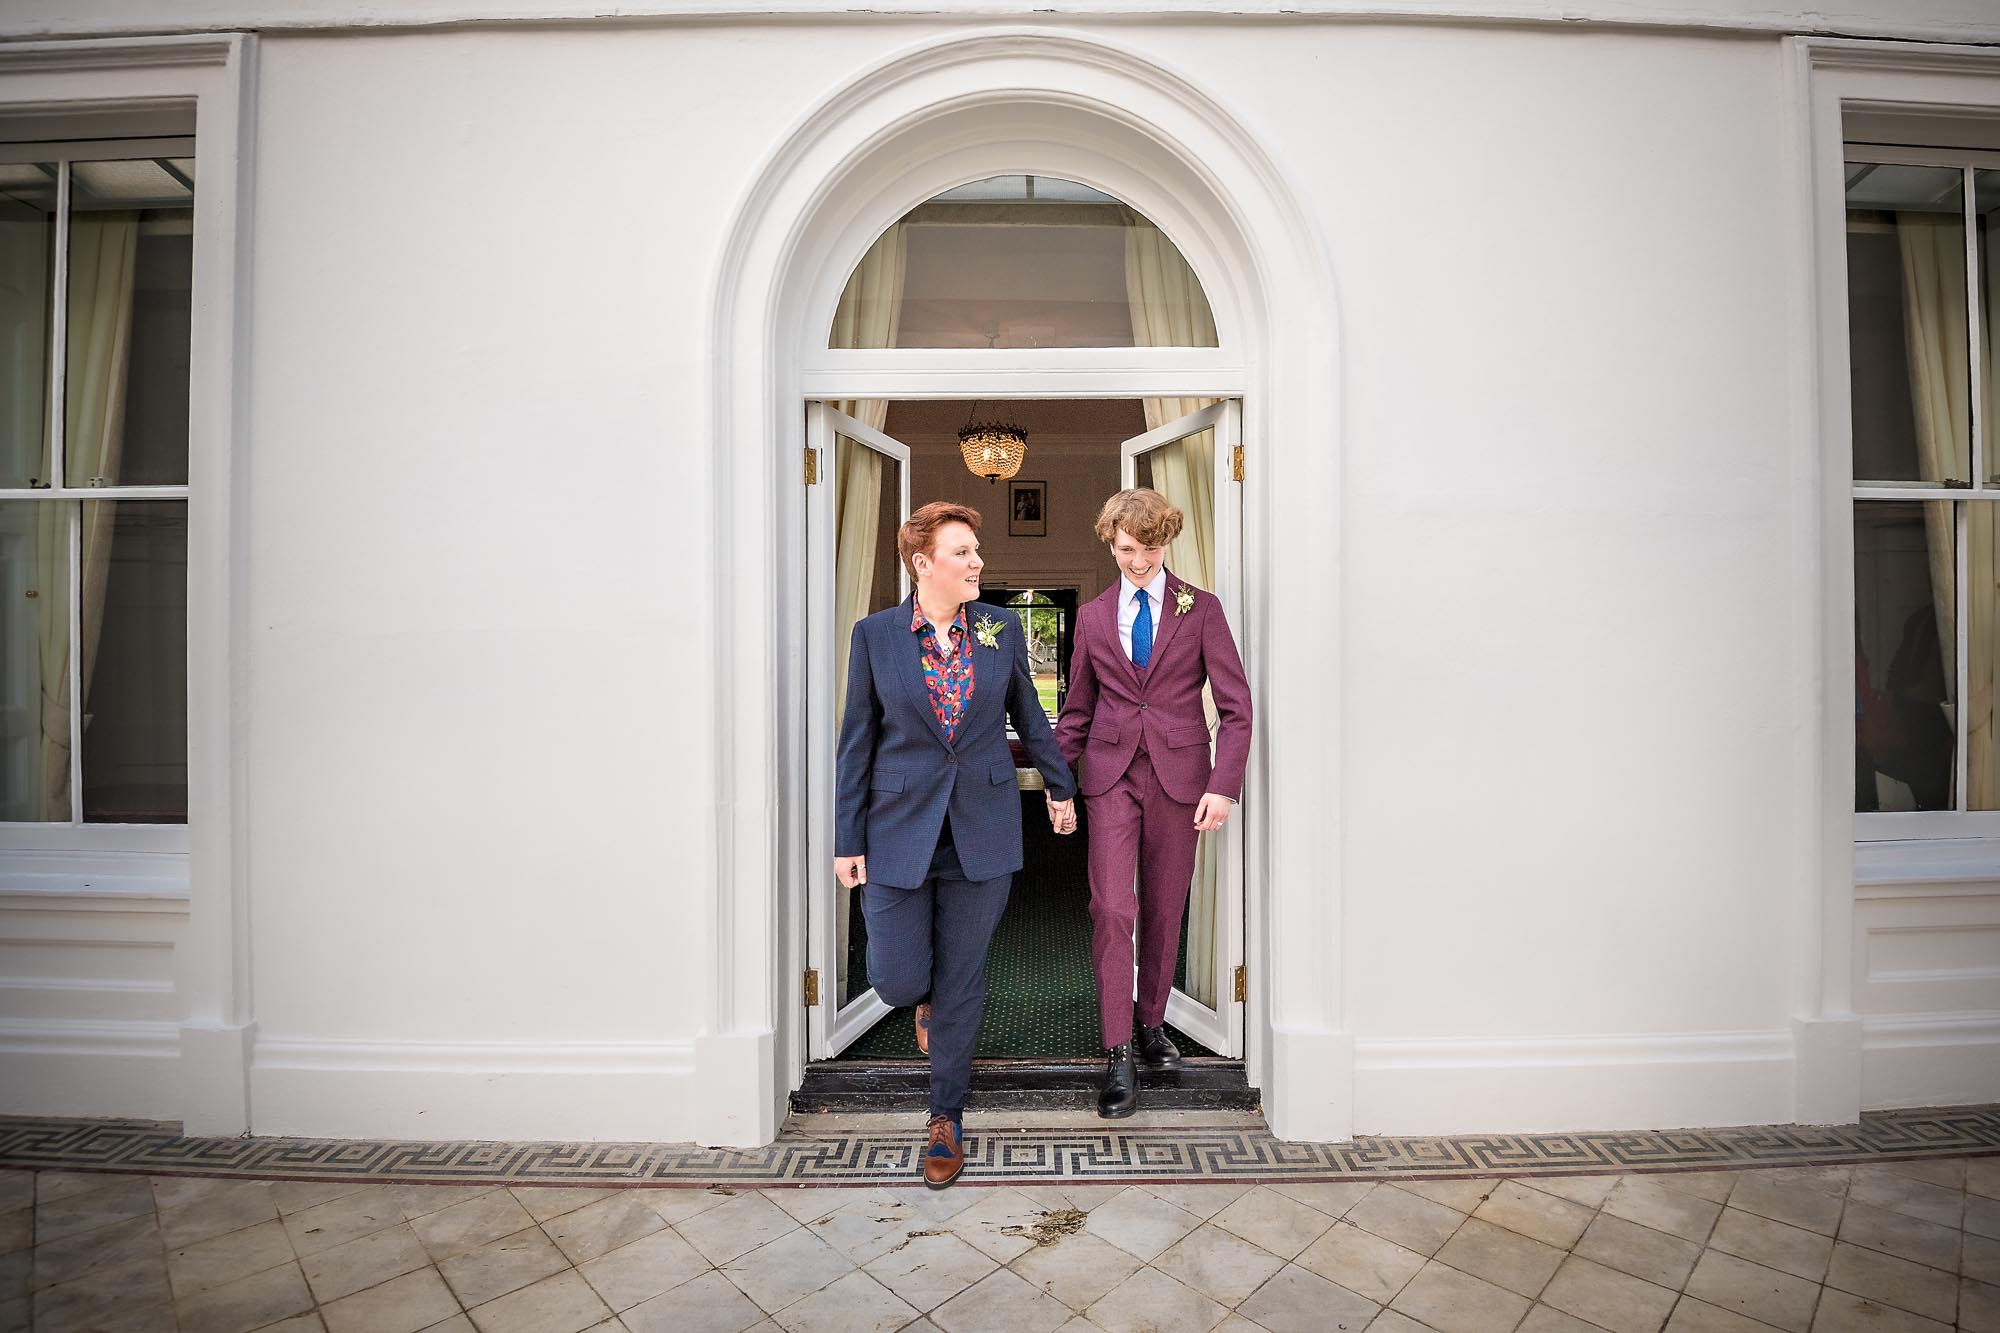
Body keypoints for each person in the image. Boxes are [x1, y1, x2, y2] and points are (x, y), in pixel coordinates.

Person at [835, 501, 1077, 1187]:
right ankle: (923, 1000)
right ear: (923, 563)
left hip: (983, 826)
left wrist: (1060, 788)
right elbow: (857, 742)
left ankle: (946, 1115)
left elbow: (1029, 712)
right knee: (898, 976)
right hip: (896, 830)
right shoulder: (875, 635)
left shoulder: (998, 626)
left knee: (963, 979)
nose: (978, 562)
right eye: (963, 551)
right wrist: (845, 836)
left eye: (976, 550)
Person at [1054, 488, 1252, 1117]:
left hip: (1181, 777)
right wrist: (1059, 784)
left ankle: (1150, 1024)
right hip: (1110, 776)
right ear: (1111, 543)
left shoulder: (1203, 610)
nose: (1137, 563)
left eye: (1148, 550)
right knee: (1113, 908)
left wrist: (1222, 784)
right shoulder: (1091, 617)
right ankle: (1117, 1051)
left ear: (1167, 543)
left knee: (1166, 908)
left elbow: (1236, 707)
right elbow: (1077, 710)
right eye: (1126, 551)